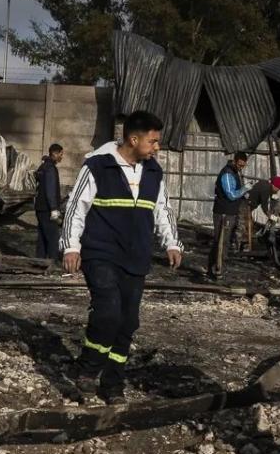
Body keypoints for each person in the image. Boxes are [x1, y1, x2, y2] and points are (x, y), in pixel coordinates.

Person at [60, 111, 183, 404]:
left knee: (127, 322)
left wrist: (172, 243)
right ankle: (88, 369)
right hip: (100, 253)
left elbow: (162, 209)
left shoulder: (153, 172)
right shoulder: (98, 165)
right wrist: (71, 246)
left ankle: (112, 384)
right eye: (153, 142)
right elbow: (76, 207)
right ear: (133, 138)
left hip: (136, 257)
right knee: (108, 312)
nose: (157, 148)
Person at [207, 152, 251, 281]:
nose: (241, 167)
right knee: (221, 241)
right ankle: (216, 269)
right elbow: (231, 195)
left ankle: (218, 268)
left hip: (230, 212)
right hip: (223, 212)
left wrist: (243, 193)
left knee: (224, 241)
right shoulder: (227, 173)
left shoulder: (235, 172)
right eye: (240, 165)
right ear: (235, 161)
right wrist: (244, 189)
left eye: (243, 166)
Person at [34, 143, 64, 260]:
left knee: (42, 237)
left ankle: (40, 261)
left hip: (40, 207)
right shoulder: (51, 168)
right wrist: (53, 209)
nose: (62, 157)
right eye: (61, 154)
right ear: (55, 153)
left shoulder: (43, 167)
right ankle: (53, 262)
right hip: (47, 208)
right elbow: (50, 189)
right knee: (52, 237)